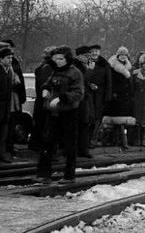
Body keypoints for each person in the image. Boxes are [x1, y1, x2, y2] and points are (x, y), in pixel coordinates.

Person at [36, 46, 84, 183]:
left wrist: (62, 97)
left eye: (60, 59)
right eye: (55, 58)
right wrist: (45, 89)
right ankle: (44, 174)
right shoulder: (55, 71)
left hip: (69, 112)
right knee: (48, 143)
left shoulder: (75, 73)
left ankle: (69, 175)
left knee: (69, 145)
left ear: (67, 59)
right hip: (53, 112)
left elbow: (78, 93)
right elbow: (47, 83)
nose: (57, 61)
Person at [104, 46, 135, 149]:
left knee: (121, 120)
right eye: (121, 54)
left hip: (125, 96)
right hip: (116, 95)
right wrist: (112, 92)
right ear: (117, 55)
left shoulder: (128, 67)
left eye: (125, 55)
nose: (123, 57)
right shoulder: (112, 66)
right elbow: (110, 81)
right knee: (114, 119)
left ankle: (119, 141)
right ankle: (111, 141)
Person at [84, 44, 112, 150]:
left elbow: (109, 81)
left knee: (97, 118)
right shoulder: (85, 63)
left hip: (99, 95)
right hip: (87, 94)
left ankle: (93, 140)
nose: (94, 53)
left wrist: (107, 96)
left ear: (99, 52)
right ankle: (85, 139)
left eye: (96, 51)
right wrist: (89, 84)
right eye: (92, 51)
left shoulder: (105, 64)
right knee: (87, 117)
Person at [0, 47, 17, 162]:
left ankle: (2, 154)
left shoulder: (8, 71)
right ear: (1, 58)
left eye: (11, 58)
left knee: (3, 135)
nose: (10, 60)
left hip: (5, 108)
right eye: (8, 58)